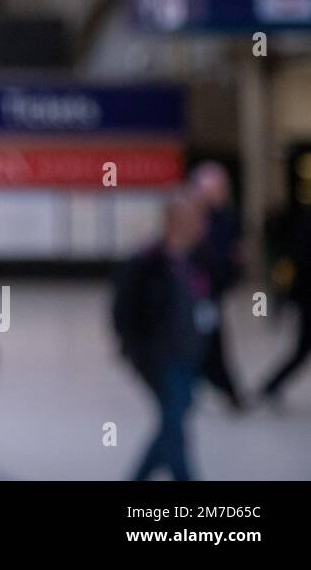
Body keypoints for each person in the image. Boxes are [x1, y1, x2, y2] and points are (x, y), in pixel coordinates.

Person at [113, 191, 209, 480]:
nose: (201, 225)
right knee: (174, 422)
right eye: (194, 218)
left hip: (191, 355)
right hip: (162, 358)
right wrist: (137, 350)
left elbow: (209, 310)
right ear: (176, 221)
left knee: (173, 422)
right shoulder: (147, 263)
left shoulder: (197, 260)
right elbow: (124, 311)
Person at [188, 161, 245, 410]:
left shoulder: (227, 217)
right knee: (209, 341)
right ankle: (227, 389)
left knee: (209, 340)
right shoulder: (196, 220)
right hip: (199, 292)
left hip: (213, 290)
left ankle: (221, 387)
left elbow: (231, 252)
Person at [260, 205, 311, 402]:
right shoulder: (304, 227)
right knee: (301, 351)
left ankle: (271, 385)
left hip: (299, 292)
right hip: (304, 295)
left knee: (300, 351)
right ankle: (271, 385)